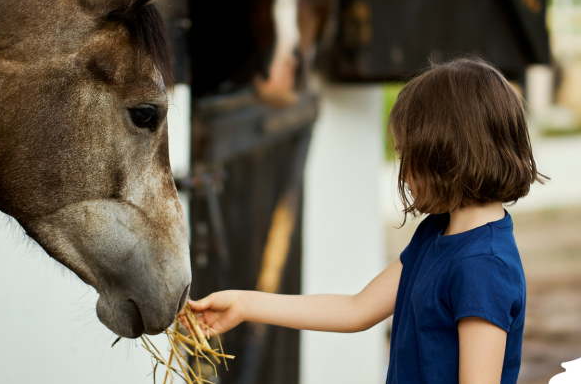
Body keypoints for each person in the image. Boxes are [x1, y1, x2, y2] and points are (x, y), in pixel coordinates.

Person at [184, 57, 547, 384]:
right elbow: (356, 309)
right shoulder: (437, 233)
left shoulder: (483, 267)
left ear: (445, 153)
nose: (402, 174)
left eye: (407, 155)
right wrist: (246, 305)